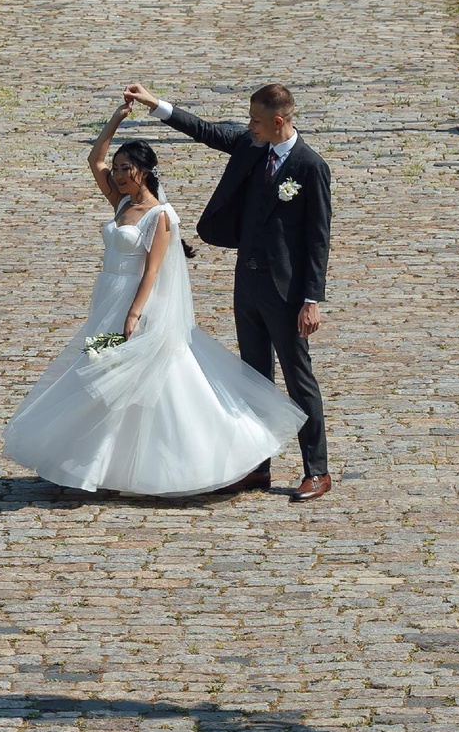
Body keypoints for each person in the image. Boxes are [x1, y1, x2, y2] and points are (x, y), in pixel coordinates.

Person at [2, 96, 305, 497]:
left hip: (137, 306)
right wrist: (115, 120)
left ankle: (197, 456)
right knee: (104, 376)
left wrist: (134, 315)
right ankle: (105, 469)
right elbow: (95, 160)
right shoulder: (121, 201)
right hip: (107, 299)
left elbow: (154, 270)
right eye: (120, 168)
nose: (119, 173)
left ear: (144, 172)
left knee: (136, 382)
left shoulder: (159, 216)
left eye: (127, 168)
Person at [120, 80, 332, 501]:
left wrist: (312, 300)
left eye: (255, 120)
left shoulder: (310, 167)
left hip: (286, 292)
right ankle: (256, 466)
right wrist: (155, 104)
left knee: (297, 377)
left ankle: (317, 470)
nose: (247, 126)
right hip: (247, 281)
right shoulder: (253, 146)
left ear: (277, 121)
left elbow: (317, 238)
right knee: (252, 377)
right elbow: (207, 130)